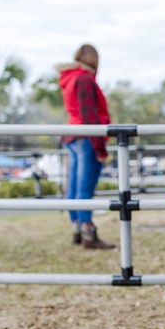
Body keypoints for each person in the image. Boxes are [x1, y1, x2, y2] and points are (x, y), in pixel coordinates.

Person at [56, 44, 115, 250]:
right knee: (84, 189)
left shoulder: (71, 77)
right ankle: (89, 233)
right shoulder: (85, 79)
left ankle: (77, 229)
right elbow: (89, 115)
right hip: (85, 136)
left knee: (73, 187)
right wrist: (100, 148)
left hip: (73, 134)